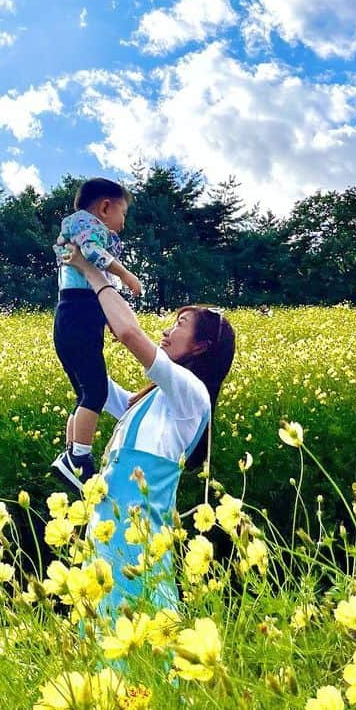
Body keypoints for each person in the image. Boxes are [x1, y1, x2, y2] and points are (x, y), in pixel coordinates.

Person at [61, 244, 236, 619]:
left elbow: (128, 333)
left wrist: (93, 273)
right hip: (109, 531)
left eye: (180, 325)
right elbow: (93, 384)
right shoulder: (147, 400)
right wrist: (78, 334)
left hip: (136, 542)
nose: (167, 331)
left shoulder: (192, 394)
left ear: (202, 346)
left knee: (139, 636)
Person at [50, 179, 143, 491]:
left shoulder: (72, 229)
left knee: (84, 395)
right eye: (123, 214)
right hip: (80, 314)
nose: (123, 223)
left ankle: (70, 455)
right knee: (96, 393)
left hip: (67, 316)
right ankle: (79, 459)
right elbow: (93, 254)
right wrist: (126, 275)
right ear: (105, 207)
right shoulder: (91, 230)